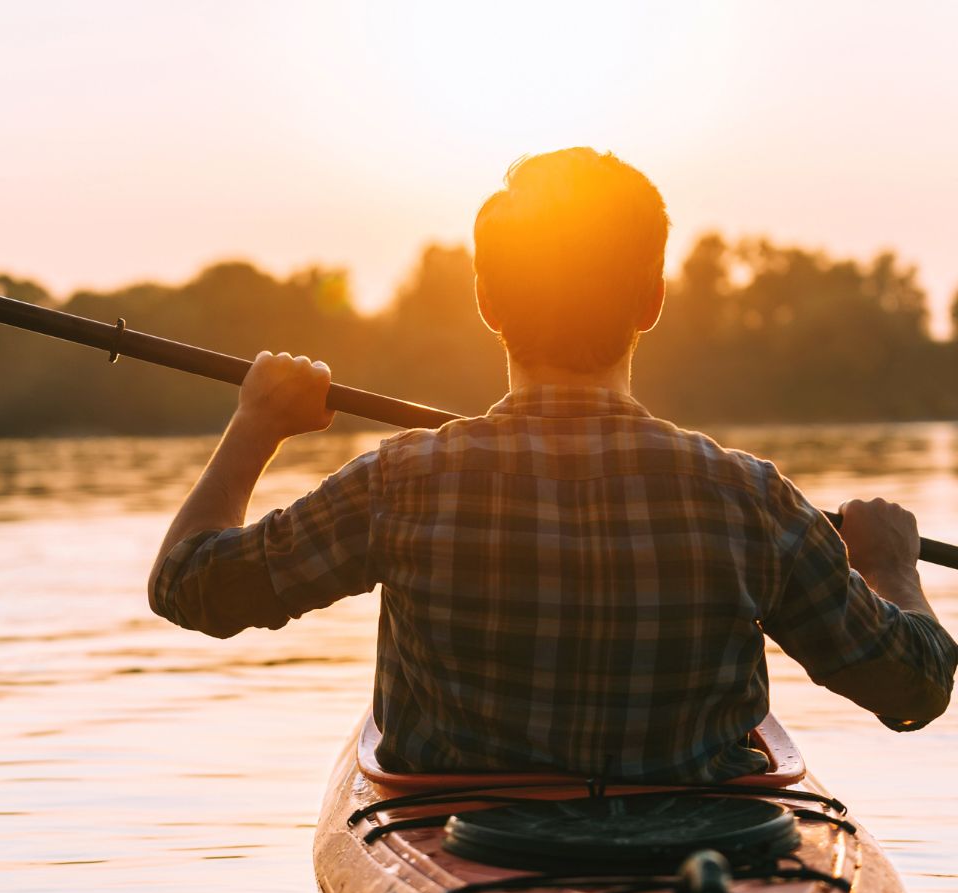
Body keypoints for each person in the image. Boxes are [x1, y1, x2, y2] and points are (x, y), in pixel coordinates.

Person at [148, 147, 956, 782]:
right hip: (698, 860)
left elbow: (189, 586)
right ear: (652, 302)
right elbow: (913, 690)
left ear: (487, 302)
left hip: (475, 853)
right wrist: (892, 569)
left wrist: (257, 423)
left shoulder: (401, 483)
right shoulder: (752, 499)